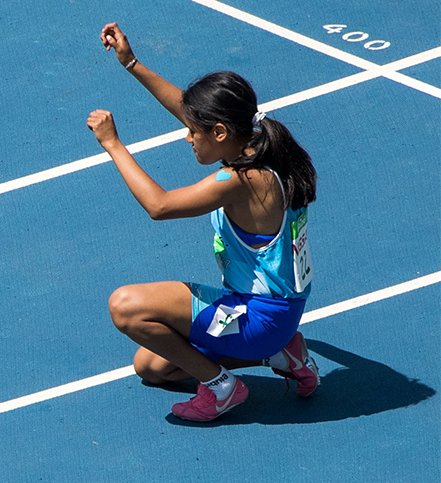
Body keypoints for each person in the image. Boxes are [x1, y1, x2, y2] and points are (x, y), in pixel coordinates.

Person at [87, 22, 321, 422]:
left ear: (219, 131)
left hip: (258, 316)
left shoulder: (240, 180)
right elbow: (194, 112)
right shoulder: (262, 148)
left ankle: (223, 388)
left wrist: (112, 143)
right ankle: (282, 353)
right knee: (152, 367)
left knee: (126, 308)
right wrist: (132, 64)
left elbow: (159, 206)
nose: (186, 137)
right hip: (277, 312)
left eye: (193, 131)